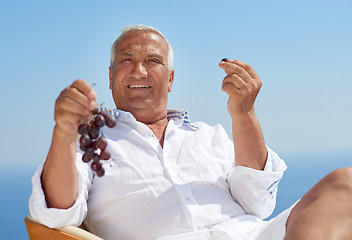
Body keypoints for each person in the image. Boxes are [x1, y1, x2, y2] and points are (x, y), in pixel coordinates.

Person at [29, 25, 352, 240]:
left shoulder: (207, 135)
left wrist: (244, 113)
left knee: (345, 183)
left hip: (253, 235)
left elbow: (258, 204)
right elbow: (56, 215)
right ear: (111, 76)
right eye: (127, 60)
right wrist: (65, 131)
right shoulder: (91, 142)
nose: (139, 70)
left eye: (152, 60)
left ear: (170, 79)